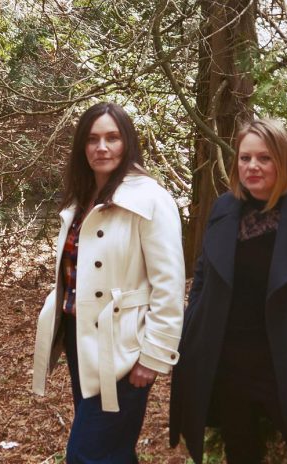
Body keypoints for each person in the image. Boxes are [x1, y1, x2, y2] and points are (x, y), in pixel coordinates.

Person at [169, 118, 287, 463]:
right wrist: (195, 327)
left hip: (284, 366)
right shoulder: (224, 210)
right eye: (245, 158)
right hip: (227, 365)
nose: (252, 166)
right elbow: (204, 276)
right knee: (241, 453)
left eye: (264, 158)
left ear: (282, 161)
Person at [32, 102, 185, 463]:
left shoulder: (151, 199)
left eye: (112, 138)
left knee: (86, 454)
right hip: (79, 338)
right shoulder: (82, 199)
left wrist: (153, 356)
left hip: (124, 348)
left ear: (127, 142)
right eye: (93, 139)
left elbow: (169, 286)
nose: (102, 147)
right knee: (111, 451)